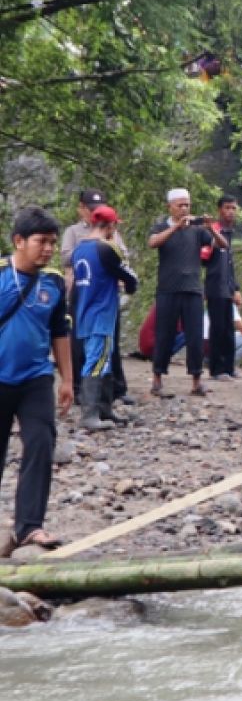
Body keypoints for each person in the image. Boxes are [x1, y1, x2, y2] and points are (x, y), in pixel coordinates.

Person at [0, 207, 74, 556]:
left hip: (36, 378)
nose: (47, 249)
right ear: (19, 241)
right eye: (41, 242)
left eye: (52, 243)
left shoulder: (55, 281)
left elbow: (60, 332)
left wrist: (67, 380)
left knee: (41, 443)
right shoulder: (0, 275)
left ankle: (29, 527)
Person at [148, 188, 227, 398]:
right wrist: (175, 229)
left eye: (187, 205)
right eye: (180, 205)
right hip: (167, 289)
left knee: (195, 337)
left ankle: (196, 380)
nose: (184, 209)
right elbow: (152, 243)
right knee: (164, 335)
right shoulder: (161, 226)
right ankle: (157, 378)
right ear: (170, 207)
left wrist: (211, 229)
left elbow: (222, 245)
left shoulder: (197, 229)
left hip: (193, 289)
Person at [62, 189, 134, 406]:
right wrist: (130, 282)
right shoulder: (98, 245)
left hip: (88, 297)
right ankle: (90, 409)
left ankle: (106, 400)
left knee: (104, 349)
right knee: (95, 351)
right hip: (97, 300)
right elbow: (125, 270)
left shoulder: (81, 247)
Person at [71, 205, 139, 430]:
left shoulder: (79, 249)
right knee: (97, 359)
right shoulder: (107, 248)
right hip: (102, 312)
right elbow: (128, 277)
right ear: (110, 226)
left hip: (84, 310)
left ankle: (105, 409)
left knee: (104, 358)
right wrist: (130, 285)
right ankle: (89, 414)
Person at [204, 194, 242, 380]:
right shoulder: (212, 231)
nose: (230, 212)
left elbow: (230, 265)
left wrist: (236, 288)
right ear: (219, 209)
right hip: (214, 285)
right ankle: (217, 369)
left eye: (234, 208)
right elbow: (203, 258)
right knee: (218, 327)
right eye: (227, 208)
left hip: (227, 287)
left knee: (229, 328)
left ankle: (229, 366)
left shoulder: (229, 232)